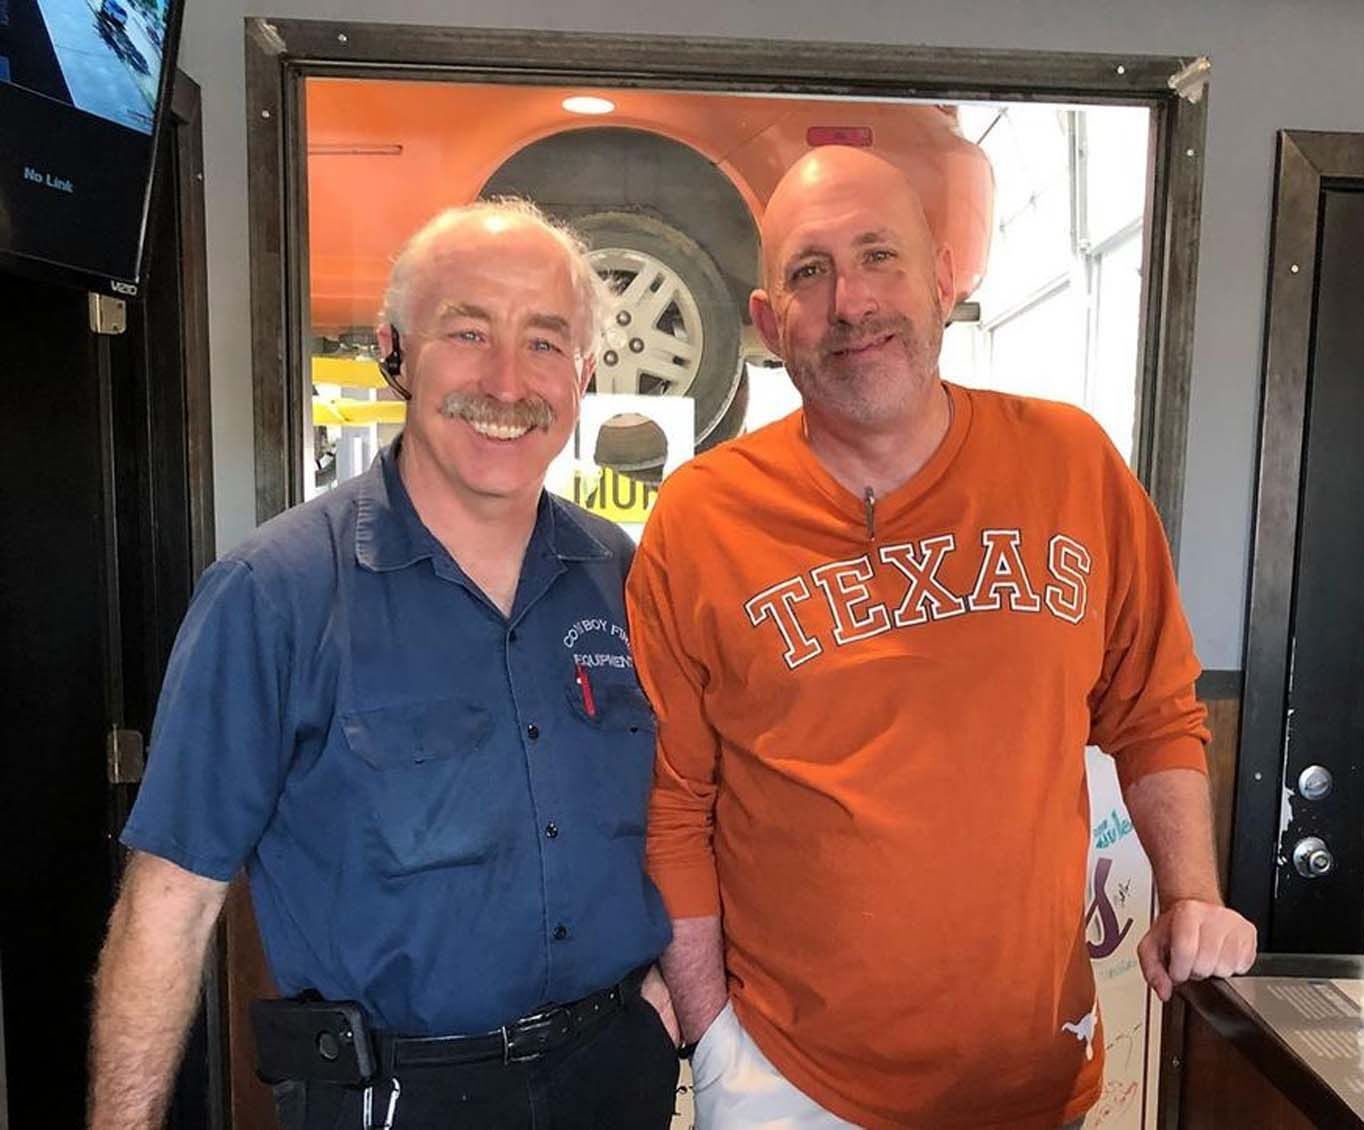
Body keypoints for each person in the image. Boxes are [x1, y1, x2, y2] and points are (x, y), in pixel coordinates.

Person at [625, 147, 1256, 1130]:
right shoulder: (701, 515)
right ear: (768, 321)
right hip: (786, 1083)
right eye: (808, 271)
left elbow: (1155, 714)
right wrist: (713, 1045)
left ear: (944, 279)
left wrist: (1189, 894)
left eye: (879, 255)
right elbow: (675, 806)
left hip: (1027, 1076)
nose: (850, 301)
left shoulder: (1071, 464)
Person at [88, 200, 680, 1130]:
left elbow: (680, 816)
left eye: (544, 341)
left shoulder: (623, 575)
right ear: (393, 351)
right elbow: (170, 902)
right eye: (468, 332)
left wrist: (672, 995)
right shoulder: (273, 594)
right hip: (396, 1099)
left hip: (617, 1080)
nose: (507, 381)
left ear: (585, 374)